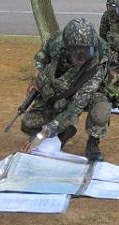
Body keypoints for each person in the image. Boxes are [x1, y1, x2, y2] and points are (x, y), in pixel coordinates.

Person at [21, 18, 111, 161]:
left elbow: (76, 106)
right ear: (67, 47)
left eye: (88, 51)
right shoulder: (56, 41)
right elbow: (42, 56)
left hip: (88, 91)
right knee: (28, 124)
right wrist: (36, 79)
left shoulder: (100, 58)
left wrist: (42, 134)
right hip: (60, 87)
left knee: (101, 108)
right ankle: (65, 130)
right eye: (77, 52)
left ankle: (93, 144)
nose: (82, 57)